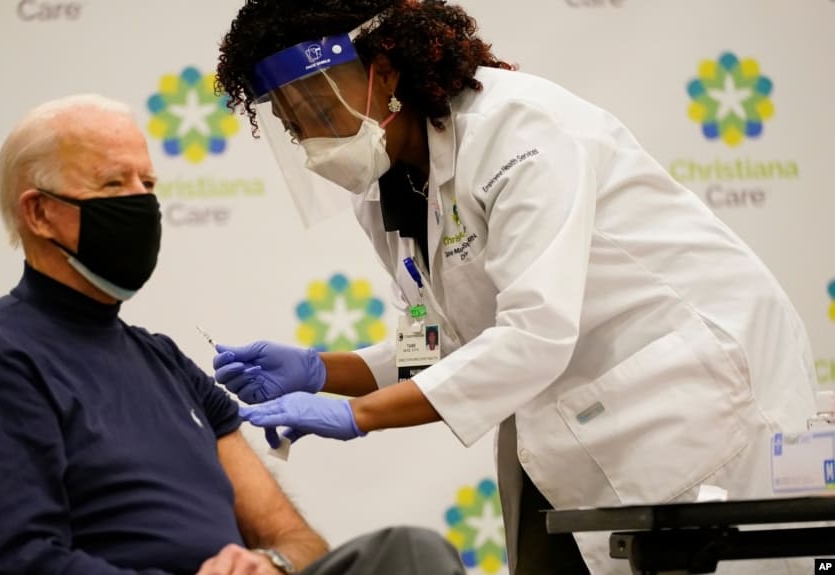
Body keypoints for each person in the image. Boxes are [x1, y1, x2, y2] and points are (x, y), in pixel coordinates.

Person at [212, 1, 820, 573]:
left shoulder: (516, 130)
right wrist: (324, 371)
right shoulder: (388, 189)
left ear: (386, 70)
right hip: (572, 410)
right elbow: (445, 345)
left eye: (321, 112)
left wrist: (358, 413)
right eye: (297, 128)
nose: (318, 144)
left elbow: (534, 334)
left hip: (686, 391)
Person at [0, 94, 467, 575]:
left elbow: (298, 543)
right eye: (114, 183)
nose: (143, 201)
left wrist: (269, 564)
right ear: (39, 213)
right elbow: (22, 562)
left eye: (147, 182)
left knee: (409, 554)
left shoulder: (163, 363)